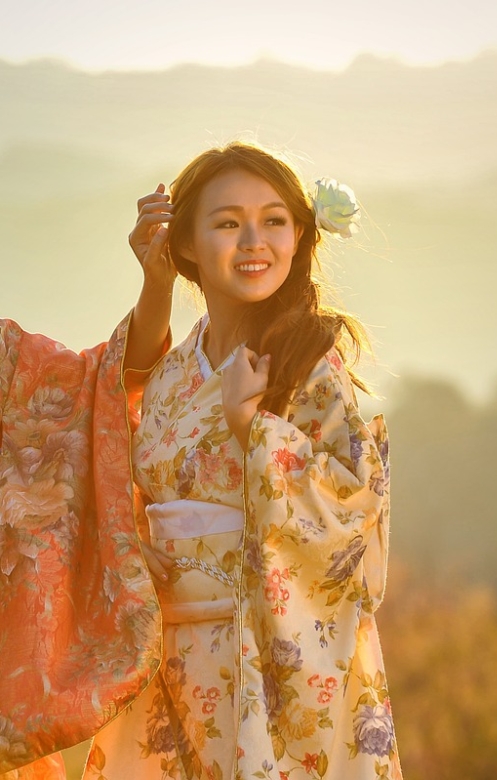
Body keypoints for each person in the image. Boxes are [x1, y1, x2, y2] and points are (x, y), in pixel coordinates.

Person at [0, 142, 402, 780]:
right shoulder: (171, 375)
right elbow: (105, 438)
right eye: (226, 222)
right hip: (172, 669)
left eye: (274, 220)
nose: (253, 241)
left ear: (300, 235)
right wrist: (131, 543)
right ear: (184, 244)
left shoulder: (309, 362)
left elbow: (356, 508)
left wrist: (256, 431)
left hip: (271, 666)